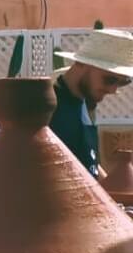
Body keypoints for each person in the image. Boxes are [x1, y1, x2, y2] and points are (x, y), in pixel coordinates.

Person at [49, 28, 133, 177]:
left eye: (123, 82)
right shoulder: (48, 106)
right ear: (81, 64)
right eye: (109, 79)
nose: (113, 90)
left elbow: (87, 161)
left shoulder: (86, 104)